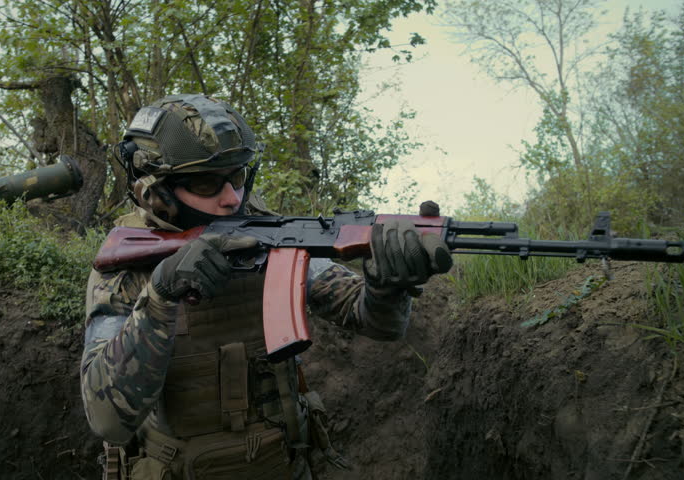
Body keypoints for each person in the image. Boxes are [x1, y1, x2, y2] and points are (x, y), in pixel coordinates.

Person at [80, 94, 453, 480]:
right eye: (207, 183)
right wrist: (159, 294)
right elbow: (107, 420)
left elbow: (375, 322)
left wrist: (387, 284)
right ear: (155, 192)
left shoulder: (268, 237)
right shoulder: (128, 264)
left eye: (237, 177)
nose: (231, 198)